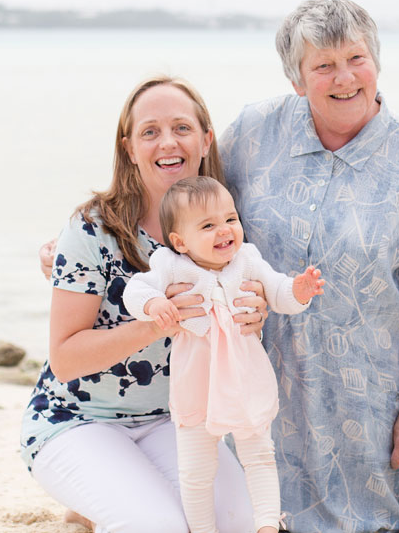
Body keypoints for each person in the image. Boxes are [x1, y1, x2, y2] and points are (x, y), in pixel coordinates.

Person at [220, 0, 399, 532]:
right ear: (297, 78)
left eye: (356, 59)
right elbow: (181, 207)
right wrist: (86, 236)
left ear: (376, 62)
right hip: (259, 394)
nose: (344, 78)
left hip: (365, 412)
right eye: (323, 65)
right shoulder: (250, 135)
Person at [20, 76, 269, 533]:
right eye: (150, 132)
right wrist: (156, 324)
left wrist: (259, 310)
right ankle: (96, 503)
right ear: (129, 149)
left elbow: (248, 301)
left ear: (205, 139)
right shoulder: (91, 230)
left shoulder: (226, 226)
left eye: (181, 127)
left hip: (177, 421)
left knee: (244, 523)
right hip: (78, 418)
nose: (168, 142)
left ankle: (97, 505)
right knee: (157, 526)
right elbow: (66, 358)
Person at [124, 175, 325, 533]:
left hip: (244, 380)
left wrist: (299, 289)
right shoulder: (170, 264)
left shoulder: (247, 260)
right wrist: (154, 303)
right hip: (195, 386)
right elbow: (135, 290)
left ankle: (266, 525)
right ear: (179, 241)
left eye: (230, 219)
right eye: (208, 225)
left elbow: (278, 292)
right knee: (197, 471)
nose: (225, 230)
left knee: (260, 456)